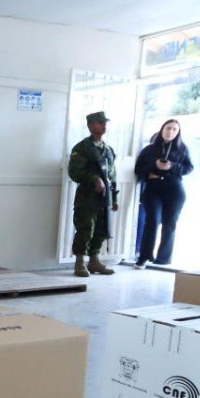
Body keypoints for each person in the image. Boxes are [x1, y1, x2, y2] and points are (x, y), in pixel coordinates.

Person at [133, 119, 194, 268]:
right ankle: (144, 256)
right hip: (153, 189)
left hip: (174, 189)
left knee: (170, 223)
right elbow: (138, 169)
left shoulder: (183, 149)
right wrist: (154, 165)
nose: (170, 132)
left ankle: (163, 259)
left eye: (174, 129)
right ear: (162, 129)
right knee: (152, 220)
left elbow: (189, 168)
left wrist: (172, 166)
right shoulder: (149, 149)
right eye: (168, 128)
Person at [67, 111, 119, 278]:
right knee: (85, 228)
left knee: (102, 229)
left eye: (105, 123)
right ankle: (80, 262)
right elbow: (74, 172)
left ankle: (94, 260)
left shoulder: (108, 150)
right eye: (100, 123)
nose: (104, 126)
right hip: (87, 197)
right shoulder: (82, 148)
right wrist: (94, 179)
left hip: (105, 198)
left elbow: (112, 175)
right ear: (91, 126)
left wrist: (114, 198)